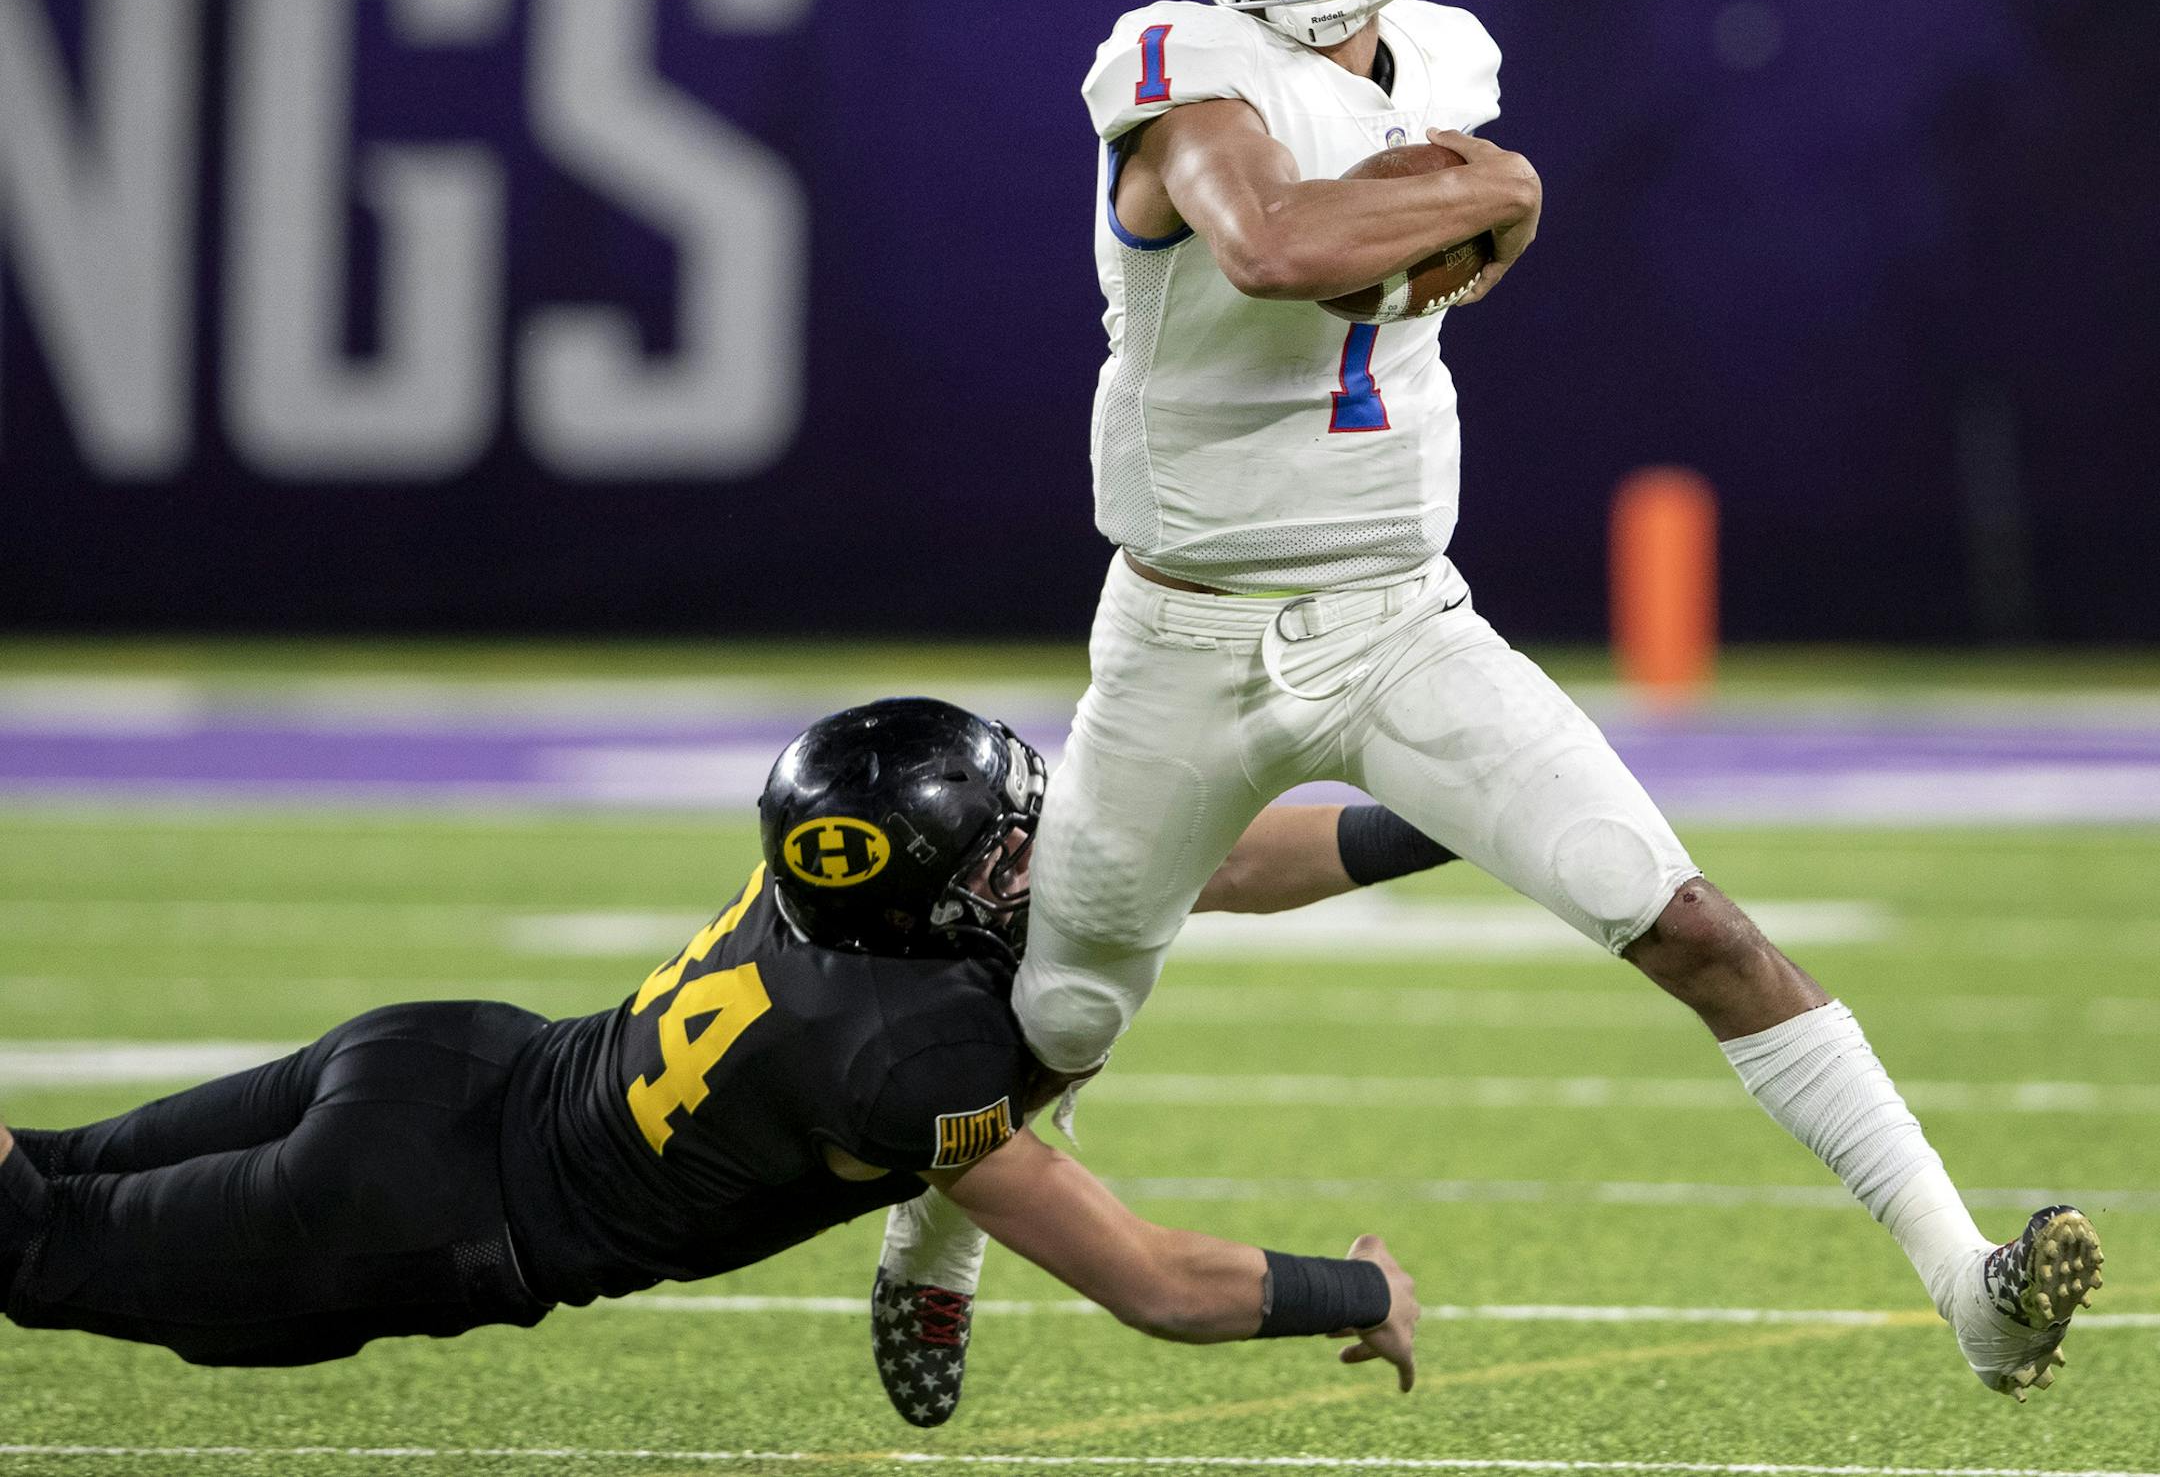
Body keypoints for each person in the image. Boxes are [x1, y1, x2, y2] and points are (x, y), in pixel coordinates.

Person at [871, 0, 2104, 1423]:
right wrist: (1491, 196)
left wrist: (1464, 210)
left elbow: (1421, 240)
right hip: (1183, 634)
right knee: (1064, 1014)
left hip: (1401, 618)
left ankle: (1972, 1291)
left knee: (1694, 927)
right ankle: (935, 1243)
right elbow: (1281, 249)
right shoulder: (1177, 65)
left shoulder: (1448, 53)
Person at [0, 699, 1420, 1409]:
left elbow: (1215, 863)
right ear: (927, 896)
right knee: (29, 1241)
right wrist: (1356, 1288)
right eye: (1005, 850)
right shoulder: (900, 1057)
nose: (1035, 856)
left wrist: (1454, 818)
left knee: (45, 1171)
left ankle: (926, 1258)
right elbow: (1152, 1282)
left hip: (430, 1062)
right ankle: (929, 1259)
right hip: (414, 1210)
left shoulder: (847, 896)